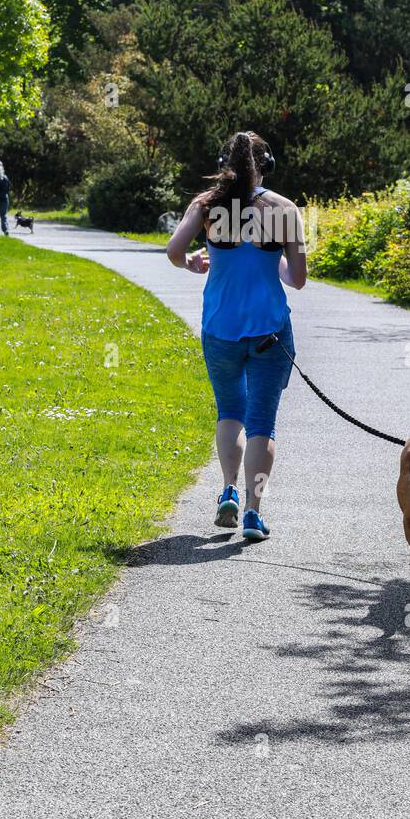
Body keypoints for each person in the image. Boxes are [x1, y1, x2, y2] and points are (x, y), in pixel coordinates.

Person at [167, 131, 307, 541]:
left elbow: (175, 251)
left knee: (230, 412)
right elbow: (297, 279)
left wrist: (192, 262)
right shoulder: (283, 209)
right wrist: (277, 266)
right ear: (268, 164)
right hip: (271, 331)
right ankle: (252, 511)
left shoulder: (206, 205)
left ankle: (226, 487)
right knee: (262, 423)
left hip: (220, 329)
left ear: (224, 162)